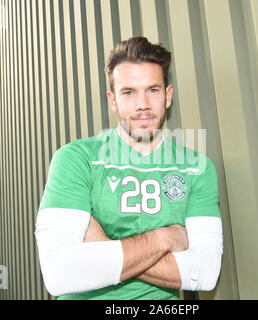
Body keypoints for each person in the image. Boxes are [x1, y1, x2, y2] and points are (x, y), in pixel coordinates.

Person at [35, 36, 223, 300]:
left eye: (153, 90)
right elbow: (59, 273)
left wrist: (104, 247)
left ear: (168, 96)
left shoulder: (197, 168)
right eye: (129, 92)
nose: (142, 104)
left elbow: (205, 273)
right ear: (112, 100)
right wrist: (163, 239)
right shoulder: (76, 159)